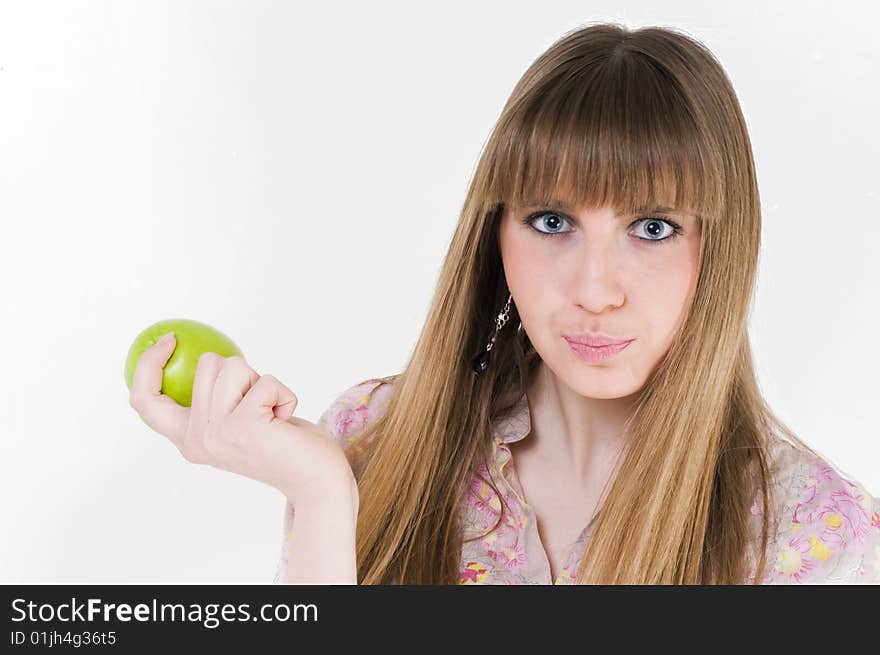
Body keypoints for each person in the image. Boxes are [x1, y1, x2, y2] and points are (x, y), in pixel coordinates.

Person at [270, 21, 880, 585]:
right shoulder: (368, 440)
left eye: (653, 228)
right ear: (495, 234)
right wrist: (322, 494)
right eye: (552, 220)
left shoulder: (813, 535)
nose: (594, 291)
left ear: (722, 245)